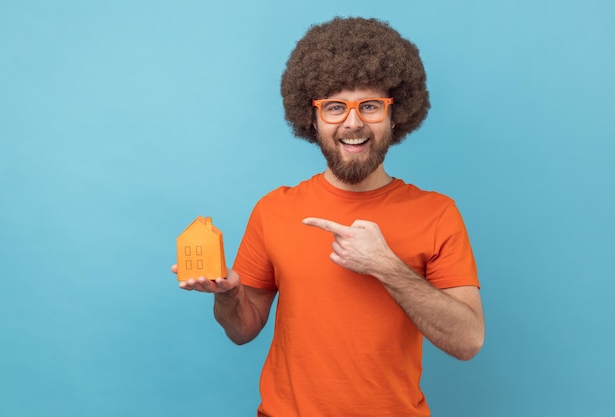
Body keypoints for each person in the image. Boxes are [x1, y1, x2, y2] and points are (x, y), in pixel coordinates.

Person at [172, 16, 485, 417]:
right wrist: (230, 296)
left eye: (370, 106)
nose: (352, 123)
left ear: (396, 114)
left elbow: (468, 341)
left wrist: (386, 266)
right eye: (335, 107)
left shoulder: (437, 213)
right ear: (312, 117)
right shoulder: (274, 209)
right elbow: (242, 331)